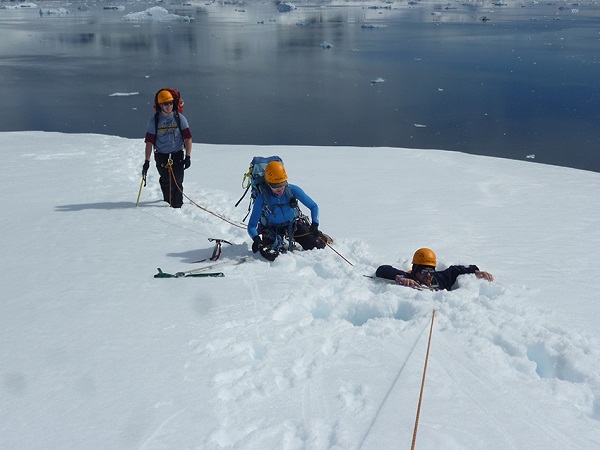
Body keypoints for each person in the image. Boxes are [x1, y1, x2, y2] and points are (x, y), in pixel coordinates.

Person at [248, 161, 326, 261]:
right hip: (272, 229)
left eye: (282, 185)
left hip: (293, 225)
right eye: (275, 187)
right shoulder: (262, 198)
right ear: (268, 184)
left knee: (317, 245)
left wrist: (315, 224)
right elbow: (251, 226)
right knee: (272, 256)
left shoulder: (293, 190)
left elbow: (314, 206)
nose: (280, 190)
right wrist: (256, 239)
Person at [142, 89, 193, 208]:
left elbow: (188, 138)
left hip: (177, 154)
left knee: (177, 182)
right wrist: (147, 161)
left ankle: (176, 207)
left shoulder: (180, 118)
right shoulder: (154, 121)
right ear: (160, 105)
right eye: (166, 103)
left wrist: (188, 156)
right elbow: (149, 142)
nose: (169, 106)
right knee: (166, 181)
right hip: (161, 156)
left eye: (170, 103)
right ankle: (167, 204)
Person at [376, 247, 494, 291]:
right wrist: (398, 277)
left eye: (431, 271)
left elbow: (455, 270)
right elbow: (382, 270)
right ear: (415, 270)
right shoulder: (408, 278)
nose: (428, 275)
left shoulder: (439, 278)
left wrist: (475, 270)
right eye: (424, 271)